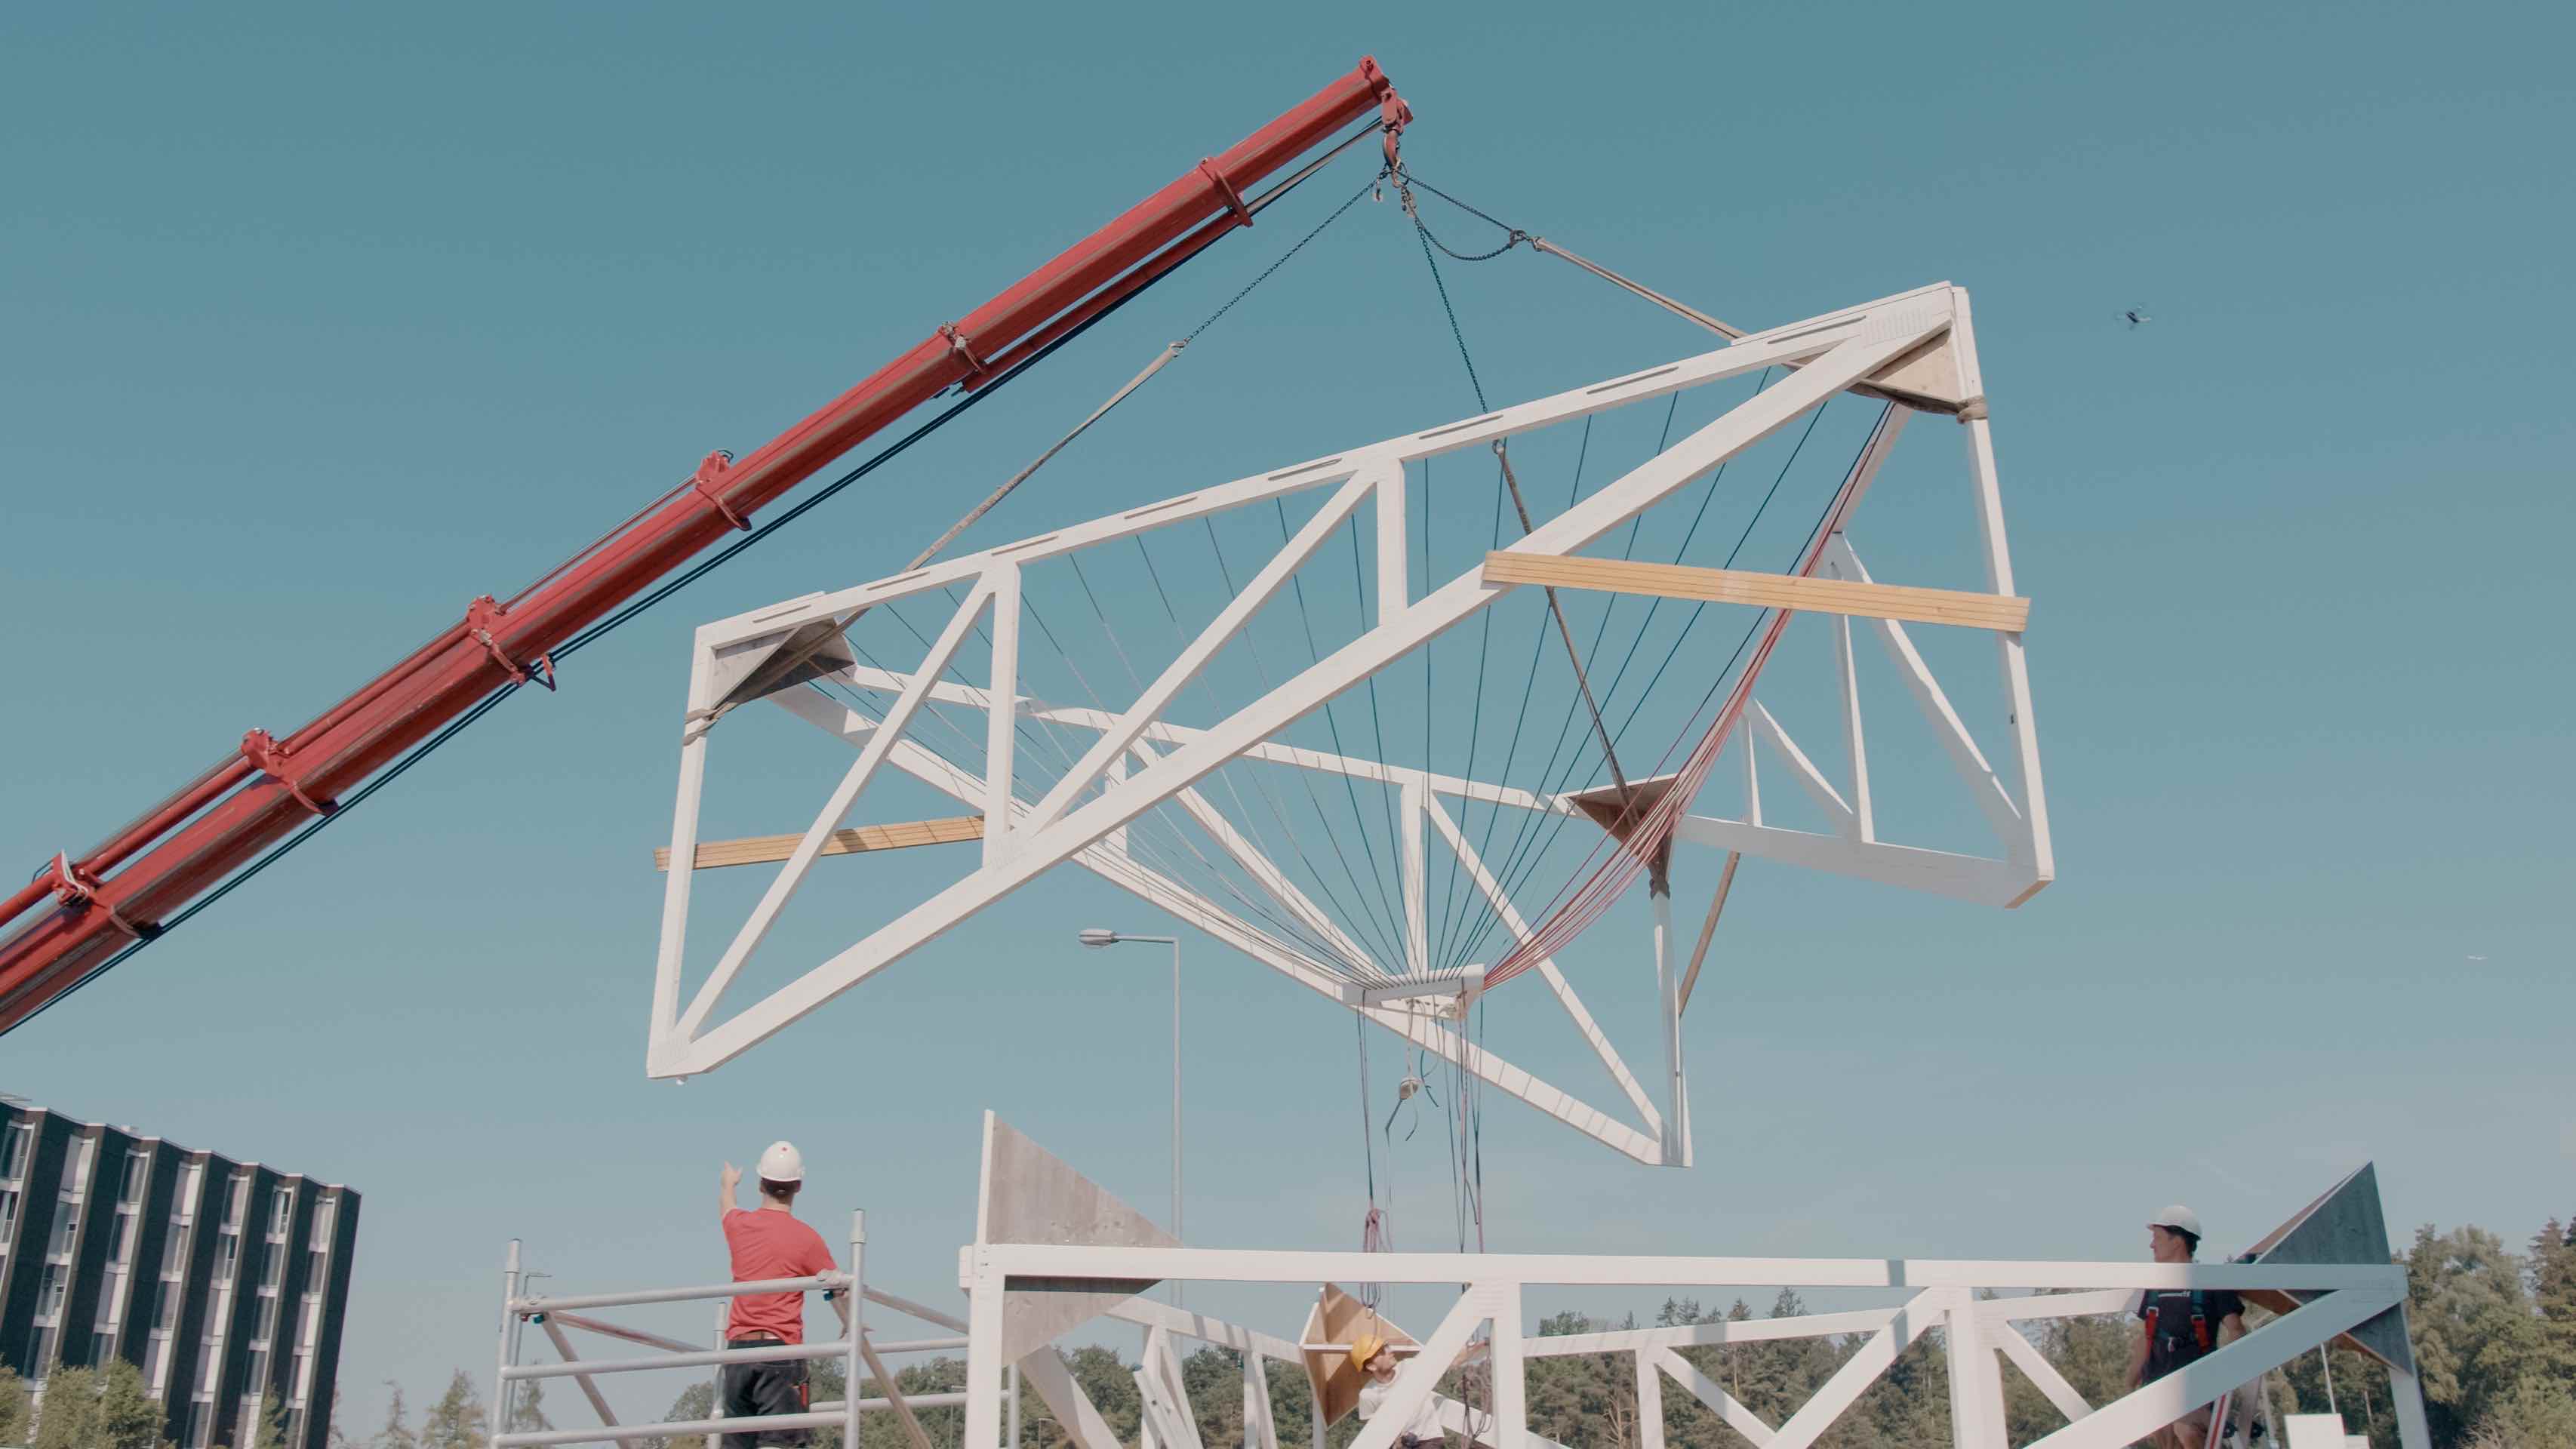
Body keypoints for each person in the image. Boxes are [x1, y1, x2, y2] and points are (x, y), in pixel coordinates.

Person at [717, 1142, 848, 1449]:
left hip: (737, 1352)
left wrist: (727, 1184)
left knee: (739, 1442)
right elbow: (837, 1287)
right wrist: (851, 1322)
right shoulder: (807, 1238)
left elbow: (727, 1208)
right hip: (779, 1351)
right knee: (782, 1441)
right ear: (798, 1187)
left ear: (761, 1183)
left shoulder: (740, 1226)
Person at [2128, 1204, 2247, 1449]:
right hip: (2157, 1390)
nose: (2152, 1245)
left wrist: (2224, 1378)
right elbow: (2146, 1338)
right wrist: (2129, 1384)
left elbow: (2237, 1331)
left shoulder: (2210, 1281)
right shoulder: (2155, 1287)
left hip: (2198, 1392)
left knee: (2185, 1428)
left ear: (2177, 1242)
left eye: (2157, 1238)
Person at [1350, 1332, 1447, 1448]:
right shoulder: (1368, 1395)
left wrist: (1471, 1349)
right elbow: (1374, 1433)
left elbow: (1448, 1361)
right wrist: (1397, 1442)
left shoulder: (1410, 1366)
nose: (1390, 1351)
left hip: (1430, 1441)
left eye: (1386, 1347)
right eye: (1382, 1352)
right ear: (1371, 1367)